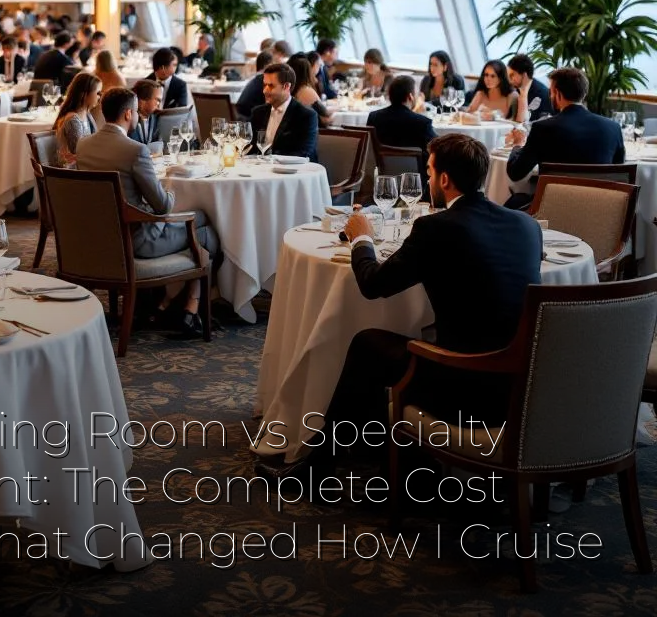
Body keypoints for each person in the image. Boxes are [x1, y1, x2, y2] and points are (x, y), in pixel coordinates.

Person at [263, 135, 543, 480]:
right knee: (397, 343)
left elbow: (373, 285)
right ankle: (381, 450)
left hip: (466, 384)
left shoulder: (436, 228)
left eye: (430, 172)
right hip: (525, 382)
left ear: (444, 179)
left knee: (367, 344)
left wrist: (362, 237)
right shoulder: (526, 225)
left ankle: (319, 467)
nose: (428, 180)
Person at [76, 87, 221, 338]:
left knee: (197, 218)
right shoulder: (134, 150)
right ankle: (190, 309)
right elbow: (163, 206)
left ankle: (166, 303)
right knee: (207, 232)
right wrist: (173, 183)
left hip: (97, 239)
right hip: (136, 241)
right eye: (134, 113)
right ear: (128, 114)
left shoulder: (84, 145)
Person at [504, 67, 625, 208]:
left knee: (513, 203)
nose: (550, 96)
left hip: (552, 207)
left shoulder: (543, 128)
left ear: (557, 93)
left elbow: (515, 173)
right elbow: (619, 173)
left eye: (551, 92)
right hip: (599, 208)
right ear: (583, 93)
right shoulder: (613, 128)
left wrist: (518, 144)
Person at [367, 75, 437, 183]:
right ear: (410, 97)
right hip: (415, 183)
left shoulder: (374, 117)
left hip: (383, 181)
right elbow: (438, 149)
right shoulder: (422, 123)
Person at [248, 63, 318, 162]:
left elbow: (303, 153)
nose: (264, 91)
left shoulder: (306, 116)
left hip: (294, 169)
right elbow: (250, 147)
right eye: (264, 85)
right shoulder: (258, 113)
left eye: (271, 86)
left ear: (286, 86)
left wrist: (271, 160)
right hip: (262, 168)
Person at [53, 71, 101, 167]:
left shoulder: (87, 114)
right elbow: (78, 152)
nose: (99, 96)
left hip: (82, 166)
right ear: (84, 94)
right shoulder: (73, 120)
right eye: (97, 93)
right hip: (72, 171)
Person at [287, 56, 334, 128]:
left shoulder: (288, 90)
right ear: (307, 72)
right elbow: (326, 118)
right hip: (310, 132)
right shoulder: (306, 91)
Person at [508, 54, 552, 124]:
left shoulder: (542, 94)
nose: (509, 79)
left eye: (512, 75)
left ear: (524, 75)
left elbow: (523, 123)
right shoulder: (516, 89)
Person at [128, 79, 164, 153]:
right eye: (157, 100)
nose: (159, 104)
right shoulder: (128, 120)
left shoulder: (155, 118)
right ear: (142, 101)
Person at [235, 50, 272, 120]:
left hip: (240, 117)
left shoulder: (255, 79)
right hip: (250, 120)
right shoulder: (264, 80)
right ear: (268, 66)